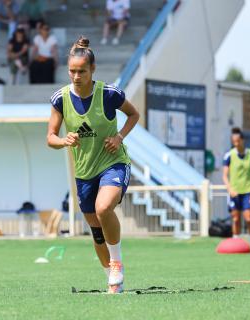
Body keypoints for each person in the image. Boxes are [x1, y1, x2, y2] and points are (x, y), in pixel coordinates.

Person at [47, 36, 140, 294]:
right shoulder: (60, 99)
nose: (76, 76)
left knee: (103, 208)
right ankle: (112, 279)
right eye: (72, 71)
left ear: (93, 70)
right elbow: (50, 137)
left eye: (82, 71)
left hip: (114, 162)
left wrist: (119, 136)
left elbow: (134, 114)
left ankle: (117, 263)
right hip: (84, 172)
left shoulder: (109, 94)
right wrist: (63, 140)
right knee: (97, 233)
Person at [222, 127, 250, 255]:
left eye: (238, 141)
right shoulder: (229, 155)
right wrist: (230, 189)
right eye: (234, 141)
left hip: (247, 192)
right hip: (234, 192)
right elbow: (224, 175)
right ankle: (236, 245)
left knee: (249, 218)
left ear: (242, 140)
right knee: (235, 219)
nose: (236, 143)